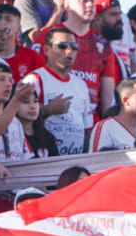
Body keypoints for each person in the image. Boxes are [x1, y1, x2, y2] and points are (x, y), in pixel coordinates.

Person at [21, 26, 93, 156]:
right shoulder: (35, 79)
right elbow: (18, 116)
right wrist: (48, 110)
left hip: (75, 159)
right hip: (46, 159)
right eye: (62, 46)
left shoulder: (81, 84)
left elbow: (87, 128)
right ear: (47, 50)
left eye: (74, 46)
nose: (69, 51)